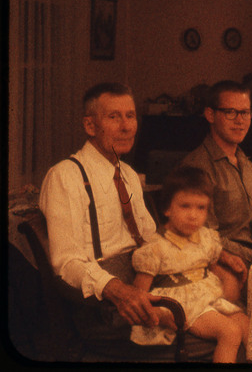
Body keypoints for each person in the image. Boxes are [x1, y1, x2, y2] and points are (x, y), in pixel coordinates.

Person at [39, 83, 163, 337]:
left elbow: (150, 238)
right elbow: (67, 263)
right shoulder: (66, 176)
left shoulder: (127, 173)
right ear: (90, 126)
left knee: (229, 312)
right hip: (102, 307)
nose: (126, 127)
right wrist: (117, 290)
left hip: (144, 282)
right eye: (113, 117)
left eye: (130, 116)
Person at [131, 166, 249, 363]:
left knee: (246, 323)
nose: (193, 215)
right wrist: (159, 313)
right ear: (168, 208)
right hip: (183, 306)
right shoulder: (156, 247)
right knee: (230, 332)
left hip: (209, 297)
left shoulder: (205, 238)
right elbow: (139, 292)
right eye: (185, 206)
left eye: (200, 208)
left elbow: (210, 267)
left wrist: (227, 275)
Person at [182, 80, 252, 266]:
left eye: (245, 112)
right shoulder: (197, 168)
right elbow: (207, 236)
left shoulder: (246, 163)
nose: (240, 120)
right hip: (225, 262)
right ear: (210, 115)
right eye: (230, 112)